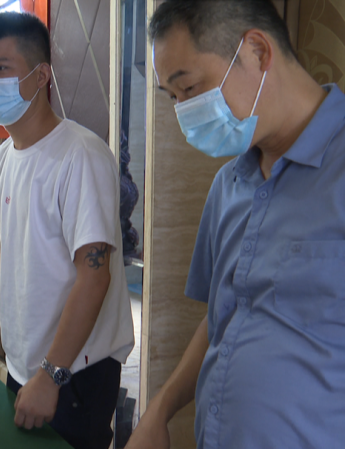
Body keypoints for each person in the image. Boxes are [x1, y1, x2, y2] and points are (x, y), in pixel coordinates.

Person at [126, 1, 345, 448]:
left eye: (190, 88)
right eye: (172, 97)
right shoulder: (229, 185)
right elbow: (224, 316)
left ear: (257, 52)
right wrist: (161, 408)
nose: (184, 111)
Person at [0, 12, 135, 449]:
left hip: (76, 372)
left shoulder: (81, 155)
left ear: (41, 76)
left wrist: (53, 375)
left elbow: (95, 276)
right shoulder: (5, 158)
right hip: (26, 365)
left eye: (1, 68)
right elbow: (10, 254)